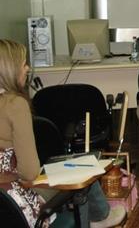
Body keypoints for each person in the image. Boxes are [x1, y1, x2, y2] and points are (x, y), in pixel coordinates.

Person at [0, 39, 125, 228]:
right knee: (82, 174)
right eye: (23, 64)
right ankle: (97, 218)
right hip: (14, 204)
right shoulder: (14, 105)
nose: (27, 69)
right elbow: (29, 172)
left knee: (75, 165)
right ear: (9, 69)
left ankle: (99, 217)